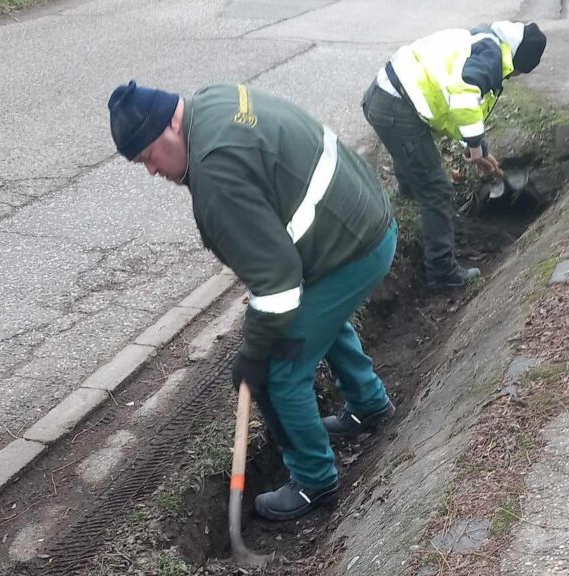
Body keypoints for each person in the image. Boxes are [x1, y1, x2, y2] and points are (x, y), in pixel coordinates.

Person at [108, 81, 398, 521]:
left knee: (279, 371)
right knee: (314, 318)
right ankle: (369, 405)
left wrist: (253, 353)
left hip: (352, 250)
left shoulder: (213, 170)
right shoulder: (212, 102)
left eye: (149, 155)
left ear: (171, 123)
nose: (151, 170)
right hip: (362, 220)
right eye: (140, 162)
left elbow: (279, 286)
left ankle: (315, 482)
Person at [363, 21, 546, 289]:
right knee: (436, 189)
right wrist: (473, 146)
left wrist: (481, 149)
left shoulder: (486, 42)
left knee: (417, 164)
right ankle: (442, 273)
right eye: (518, 71)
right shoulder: (492, 57)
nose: (515, 76)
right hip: (396, 106)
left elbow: (452, 106)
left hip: (386, 96)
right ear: (519, 60)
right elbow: (464, 97)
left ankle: (410, 196)